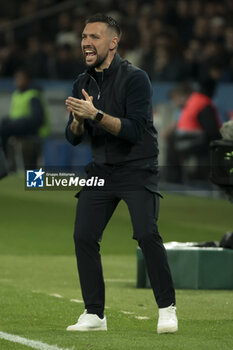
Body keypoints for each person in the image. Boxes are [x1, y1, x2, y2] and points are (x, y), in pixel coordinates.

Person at [65, 13, 178, 334]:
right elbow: (73, 136)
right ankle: (94, 314)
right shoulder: (81, 81)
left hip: (137, 167)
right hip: (101, 169)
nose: (86, 42)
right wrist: (77, 120)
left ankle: (167, 308)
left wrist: (95, 115)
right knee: (84, 236)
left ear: (113, 42)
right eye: (84, 36)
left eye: (95, 37)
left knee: (146, 233)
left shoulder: (136, 78)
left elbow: (134, 130)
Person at [0, 68, 50, 169]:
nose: (17, 81)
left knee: (31, 164)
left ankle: (34, 183)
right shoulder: (17, 94)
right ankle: (7, 166)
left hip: (33, 132)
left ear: (28, 80)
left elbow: (37, 120)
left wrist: (16, 124)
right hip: (19, 130)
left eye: (20, 79)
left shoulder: (33, 95)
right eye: (16, 79)